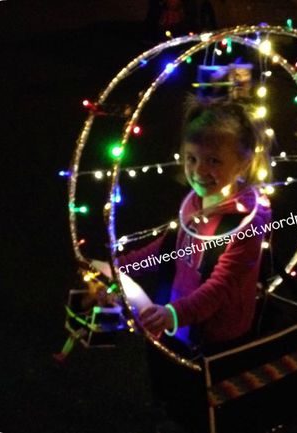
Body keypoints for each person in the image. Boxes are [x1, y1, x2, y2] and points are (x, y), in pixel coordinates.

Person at [113, 97, 272, 353]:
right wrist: (121, 266)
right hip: (182, 313)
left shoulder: (246, 222)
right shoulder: (196, 201)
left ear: (243, 162)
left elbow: (221, 287)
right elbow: (169, 247)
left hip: (218, 332)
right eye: (192, 158)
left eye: (214, 161)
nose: (198, 171)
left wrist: (173, 314)